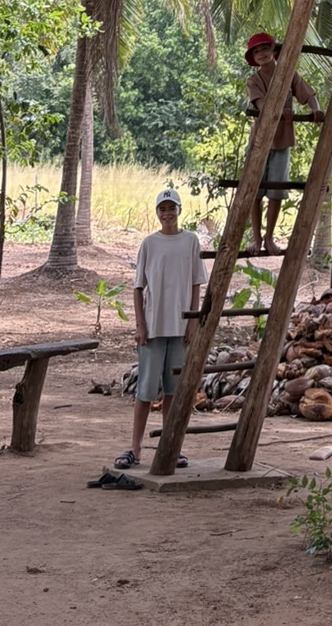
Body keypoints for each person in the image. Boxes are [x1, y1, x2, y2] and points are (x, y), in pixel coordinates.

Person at [115, 187, 203, 469]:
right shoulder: (149, 244)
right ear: (157, 213)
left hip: (180, 327)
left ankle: (171, 447)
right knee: (145, 390)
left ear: (179, 210)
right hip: (153, 328)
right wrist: (140, 324)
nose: (167, 214)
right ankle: (135, 448)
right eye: (162, 209)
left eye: (171, 208)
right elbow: (138, 288)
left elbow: (196, 283)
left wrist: (193, 320)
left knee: (173, 392)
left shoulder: (191, 241)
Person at [243, 31, 322, 255]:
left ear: (273, 51)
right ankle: (257, 238)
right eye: (256, 52)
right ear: (253, 58)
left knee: (277, 190)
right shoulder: (254, 81)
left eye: (265, 49)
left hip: (282, 141)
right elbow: (262, 106)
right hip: (259, 141)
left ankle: (269, 237)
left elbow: (308, 94)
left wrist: (315, 109)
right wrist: (281, 110)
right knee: (255, 190)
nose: (262, 54)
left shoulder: (289, 75)